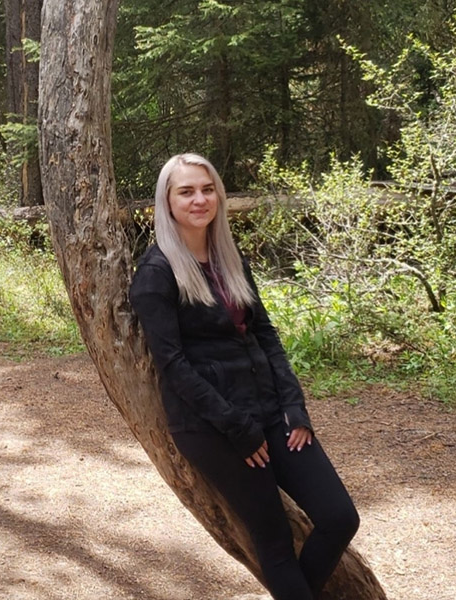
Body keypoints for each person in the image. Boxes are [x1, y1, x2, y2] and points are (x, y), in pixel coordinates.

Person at [129, 153, 360, 600]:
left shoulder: (228, 259)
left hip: (271, 411)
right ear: (167, 201)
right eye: (186, 191)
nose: (200, 199)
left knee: (339, 517)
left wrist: (294, 404)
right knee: (273, 540)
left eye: (207, 188)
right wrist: (237, 429)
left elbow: (265, 334)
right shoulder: (156, 274)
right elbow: (173, 365)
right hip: (213, 425)